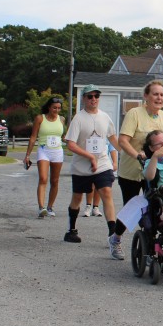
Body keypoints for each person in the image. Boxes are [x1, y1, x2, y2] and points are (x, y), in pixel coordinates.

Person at [63, 85, 122, 258]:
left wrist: (126, 152)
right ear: (84, 99)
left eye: (96, 96)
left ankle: (113, 234)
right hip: (82, 166)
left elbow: (112, 138)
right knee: (77, 197)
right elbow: (70, 143)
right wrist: (89, 156)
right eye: (90, 96)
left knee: (106, 193)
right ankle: (72, 230)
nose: (93, 99)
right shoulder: (78, 118)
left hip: (102, 163)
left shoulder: (105, 117)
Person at [116, 80, 163, 206]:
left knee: (155, 210)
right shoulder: (134, 113)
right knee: (131, 210)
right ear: (146, 96)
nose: (159, 98)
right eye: (155, 94)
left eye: (162, 95)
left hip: (156, 173)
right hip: (132, 172)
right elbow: (122, 141)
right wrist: (138, 156)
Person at [25, 96, 66, 218]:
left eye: (59, 108)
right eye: (54, 108)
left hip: (57, 151)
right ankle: (41, 207)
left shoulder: (62, 119)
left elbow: (64, 137)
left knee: (55, 180)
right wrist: (27, 155)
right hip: (44, 150)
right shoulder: (40, 118)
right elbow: (33, 137)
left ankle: (50, 206)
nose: (56, 110)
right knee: (43, 178)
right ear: (49, 107)